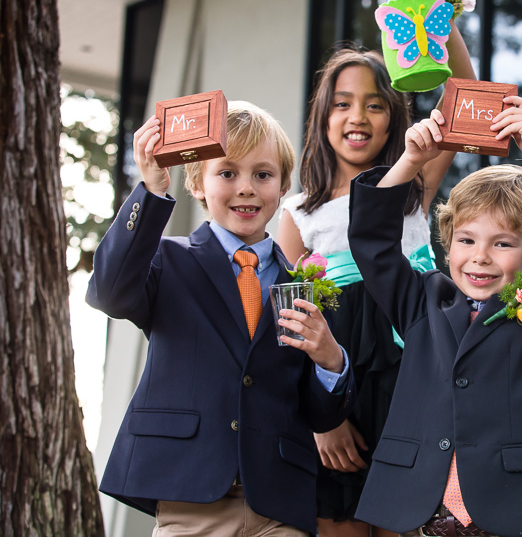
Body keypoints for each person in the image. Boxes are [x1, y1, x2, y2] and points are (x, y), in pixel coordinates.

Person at [276, 0, 476, 536]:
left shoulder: (410, 183)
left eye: (375, 104)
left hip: (414, 371)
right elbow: (288, 327)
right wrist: (321, 419)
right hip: (340, 386)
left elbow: (467, 98)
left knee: (408, 520)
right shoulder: (296, 213)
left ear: (395, 117)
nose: (358, 117)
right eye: (342, 104)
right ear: (321, 116)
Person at [347, 99, 522, 537]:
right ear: (448, 243)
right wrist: (410, 160)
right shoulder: (421, 301)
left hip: (515, 512)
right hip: (421, 512)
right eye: (467, 239)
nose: (479, 258)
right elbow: (371, 240)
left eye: (502, 244)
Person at [86, 102, 355, 535]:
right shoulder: (166, 260)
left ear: (284, 185)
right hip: (188, 494)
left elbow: (319, 416)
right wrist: (151, 190)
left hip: (278, 502)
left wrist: (330, 363)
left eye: (263, 175)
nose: (246, 188)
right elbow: (109, 293)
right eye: (227, 173)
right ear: (197, 182)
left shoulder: (304, 285)